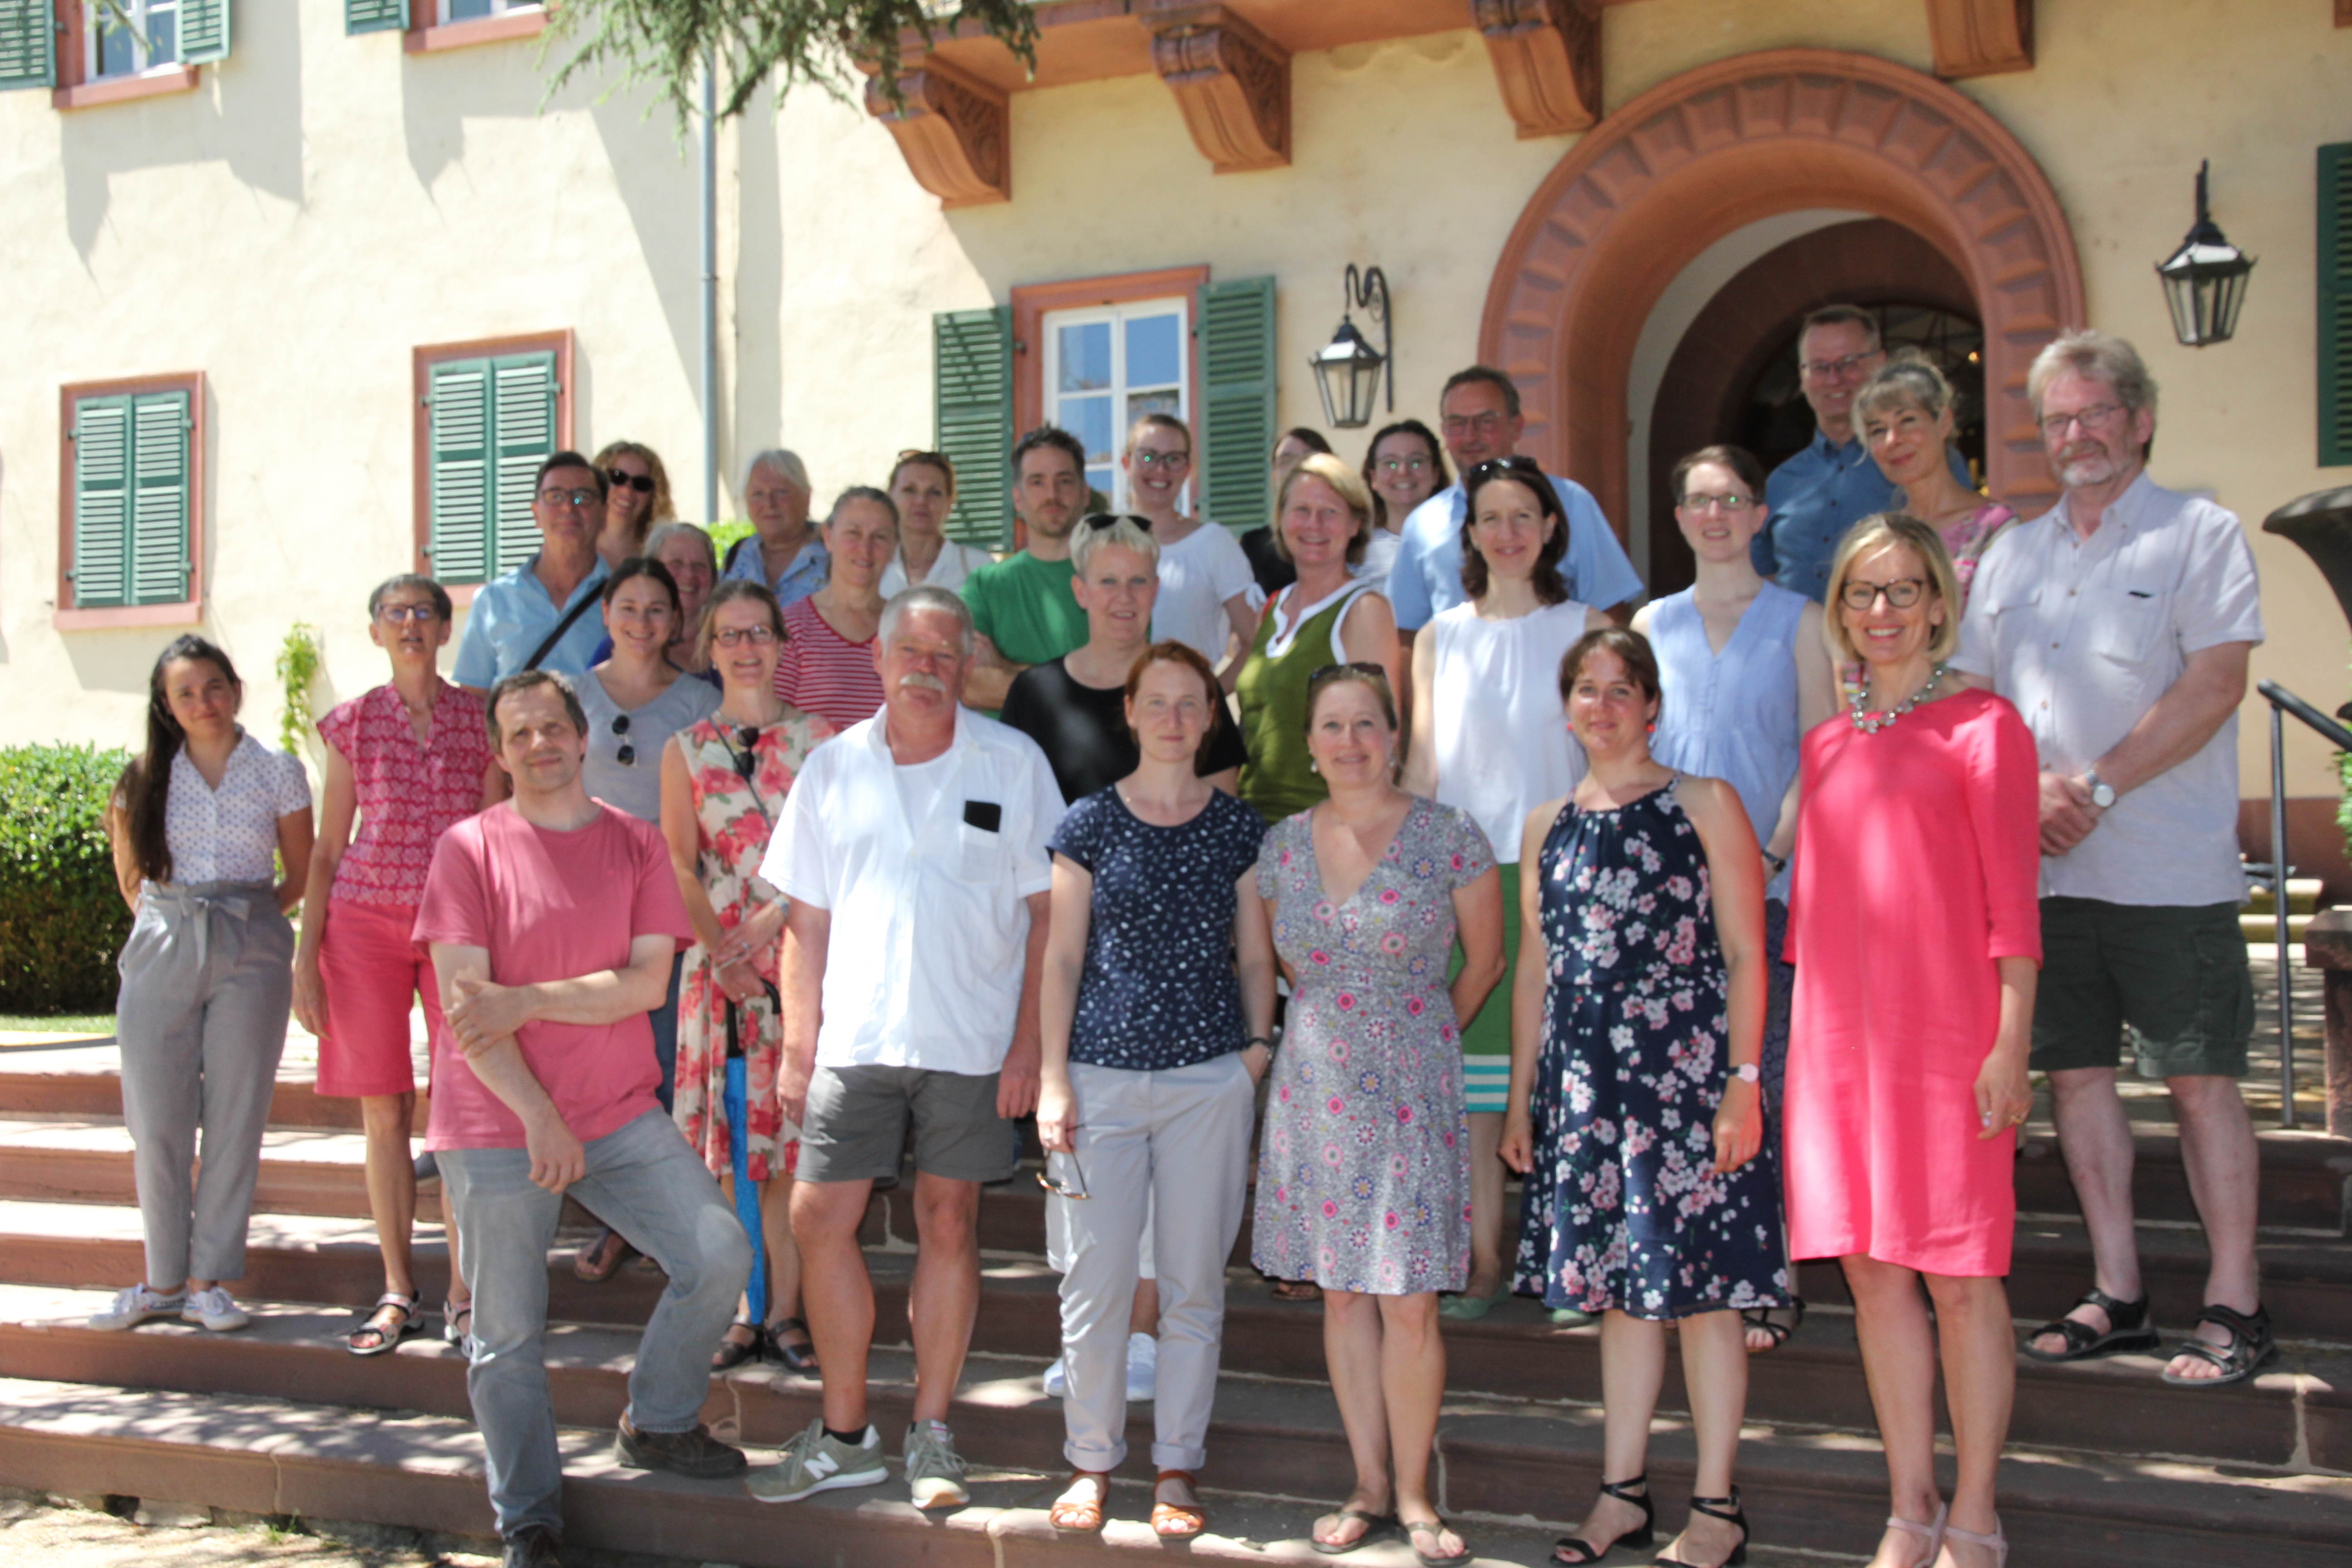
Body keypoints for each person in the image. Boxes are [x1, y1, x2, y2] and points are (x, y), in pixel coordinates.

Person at [1953, 330, 2270, 1391]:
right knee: (2075, 1078)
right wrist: (2020, 795)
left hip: (2166, 870)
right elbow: (1975, 703)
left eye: (2094, 412)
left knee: (2198, 1082)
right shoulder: (2010, 553)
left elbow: (2213, 684)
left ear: (2137, 419)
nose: (2075, 434)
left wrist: (2090, 784)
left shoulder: (2198, 534)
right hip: (2039, 874)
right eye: (2056, 419)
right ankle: (2116, 1286)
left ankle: (2233, 1300)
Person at [418, 669, 752, 1568]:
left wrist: (524, 998)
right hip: (498, 1121)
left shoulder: (637, 846)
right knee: (507, 1335)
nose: (540, 745)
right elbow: (466, 1013)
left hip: (613, 1110)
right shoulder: (468, 851)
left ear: (583, 735)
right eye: (519, 733)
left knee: (718, 1251)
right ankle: (529, 1518)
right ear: (500, 752)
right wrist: (538, 1115)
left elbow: (645, 984)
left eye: (554, 728)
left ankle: (660, 1418)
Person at [748, 585, 1064, 1509]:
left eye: (944, 654)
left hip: (971, 1041)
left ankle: (932, 1432)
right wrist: (799, 1047)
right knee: (817, 1218)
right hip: (855, 1036)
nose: (925, 670)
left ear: (968, 665)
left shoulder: (1013, 763)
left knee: (950, 1225)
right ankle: (846, 1433)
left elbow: (1049, 918)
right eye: (909, 654)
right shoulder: (833, 768)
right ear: (878, 662)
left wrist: (1028, 1050)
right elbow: (805, 919)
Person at [1500, 627, 1782, 1568]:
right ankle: (1621, 1494)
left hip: (1690, 1083)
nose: (1604, 705)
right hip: (1588, 1091)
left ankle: (1717, 1504)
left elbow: (1747, 951)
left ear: (1653, 706)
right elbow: (1536, 969)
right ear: (1568, 704)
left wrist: (1742, 1085)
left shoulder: (1704, 803)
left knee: (1704, 1297)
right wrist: (1521, 1104)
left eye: (1624, 689)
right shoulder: (1548, 824)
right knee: (1622, 1296)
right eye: (1587, 688)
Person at [1788, 516, 2039, 1568]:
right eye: (1860, 593)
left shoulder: (1985, 727)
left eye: (1901, 591)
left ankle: (1974, 1510)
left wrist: (2010, 1041)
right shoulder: (1825, 742)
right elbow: (1809, 920)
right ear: (1839, 611)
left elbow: (2013, 910)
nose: (1880, 612)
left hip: (1950, 1038)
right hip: (1837, 1046)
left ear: (1939, 602)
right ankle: (1909, 1502)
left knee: (1959, 1275)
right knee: (1873, 1273)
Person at [1252, 665, 1504, 1567]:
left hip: (1410, 1088)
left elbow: (1485, 962)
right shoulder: (1280, 846)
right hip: (1315, 1090)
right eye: (1332, 725)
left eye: (1366, 723)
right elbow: (1283, 970)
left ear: (1392, 736)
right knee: (1345, 1293)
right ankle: (1366, 1482)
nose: (1350, 741)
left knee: (1408, 1300)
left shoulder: (1448, 836)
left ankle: (1415, 1494)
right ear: (1311, 744)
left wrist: (1421, 1032)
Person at [1033, 641, 1276, 1539]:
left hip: (1205, 1082)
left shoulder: (1237, 828)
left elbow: (1257, 953)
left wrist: (1252, 1055)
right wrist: (1054, 1077)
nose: (1175, 718)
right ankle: (1090, 1463)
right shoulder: (1088, 823)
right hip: (1097, 1078)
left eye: (1191, 702)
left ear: (1209, 716)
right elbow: (1061, 958)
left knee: (1190, 1286)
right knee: (1095, 1285)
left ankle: (1177, 1466)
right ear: (1129, 713)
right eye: (1158, 702)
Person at [1632, 445, 1836, 1354]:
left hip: (1771, 889)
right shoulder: (1650, 623)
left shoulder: (1801, 621)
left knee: (1764, 1079)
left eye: (1734, 500)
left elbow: (1823, 751)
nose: (1716, 515)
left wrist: (1762, 853)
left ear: (1761, 516)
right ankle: (1683, 1256)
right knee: (1678, 1089)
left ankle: (1770, 1269)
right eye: (1699, 500)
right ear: (1678, 517)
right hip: (1668, 901)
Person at [1400, 455, 1603, 1322]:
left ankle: (1569, 1262)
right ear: (1470, 533)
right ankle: (1482, 1258)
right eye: (1491, 517)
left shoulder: (1587, 628)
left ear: (1551, 527)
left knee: (1570, 1076)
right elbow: (1420, 764)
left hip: (1566, 871)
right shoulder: (1438, 635)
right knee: (1479, 1086)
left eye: (1525, 515)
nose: (1508, 531)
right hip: (1466, 876)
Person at [294, 576, 500, 1357]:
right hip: (362, 929)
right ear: (375, 630)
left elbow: (488, 838)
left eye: (424, 613)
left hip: (452, 930)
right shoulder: (351, 723)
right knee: (385, 1112)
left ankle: (465, 1291)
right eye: (395, 613)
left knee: (461, 1113)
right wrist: (304, 958)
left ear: (446, 629)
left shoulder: (479, 718)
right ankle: (396, 1287)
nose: (410, 624)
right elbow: (323, 848)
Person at [93, 638, 314, 1337]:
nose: (202, 702)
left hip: (251, 938)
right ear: (166, 705)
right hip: (165, 937)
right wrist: (172, 927)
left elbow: (303, 872)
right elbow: (132, 879)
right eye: (185, 693)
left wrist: (246, 925)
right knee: (155, 1121)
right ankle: (160, 1279)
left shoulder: (278, 772)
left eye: (213, 686)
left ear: (236, 689)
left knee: (235, 1115)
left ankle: (205, 1281)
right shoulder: (142, 779)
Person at [661, 581, 839, 1376]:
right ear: (709, 647)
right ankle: (744, 1307)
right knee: (734, 1151)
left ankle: (790, 1313)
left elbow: (836, 857)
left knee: (794, 1149)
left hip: (802, 961)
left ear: (780, 643)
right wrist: (724, 954)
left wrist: (769, 925)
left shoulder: (821, 740)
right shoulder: (684, 748)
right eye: (728, 635)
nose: (744, 648)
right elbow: (678, 861)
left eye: (758, 633)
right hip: (722, 974)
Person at [570, 558, 722, 1281]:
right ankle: (615, 1217)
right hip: (579, 903)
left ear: (676, 620)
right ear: (606, 615)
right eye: (627, 607)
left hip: (664, 904)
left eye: (657, 608)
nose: (641, 621)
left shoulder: (700, 700)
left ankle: (658, 1221)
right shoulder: (569, 696)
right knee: (589, 1064)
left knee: (657, 1065)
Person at [1387, 367, 1643, 646]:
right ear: (1445, 434)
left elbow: (1611, 609)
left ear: (1517, 426)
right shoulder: (1424, 523)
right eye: (1458, 424)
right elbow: (1405, 632)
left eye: (1486, 421)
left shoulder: (1571, 503)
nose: (1471, 436)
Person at [1001, 514, 1246, 803]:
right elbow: (1011, 809)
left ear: (1155, 590)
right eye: (1108, 582)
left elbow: (1224, 814)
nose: (1125, 597)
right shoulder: (1033, 694)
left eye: (1138, 582)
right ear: (1081, 592)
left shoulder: (1193, 687)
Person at [1749, 306, 1969, 604]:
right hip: (1798, 650)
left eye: (1848, 362)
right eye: (1819, 367)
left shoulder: (1916, 461)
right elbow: (1760, 580)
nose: (1834, 378)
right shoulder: (1781, 482)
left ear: (1880, 364)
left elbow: (1960, 560)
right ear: (1802, 377)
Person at [1235, 455, 1401, 826]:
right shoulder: (1274, 607)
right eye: (1302, 510)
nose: (1314, 525)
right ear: (1281, 518)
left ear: (1355, 524)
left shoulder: (1363, 611)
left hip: (1322, 834)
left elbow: (1382, 743)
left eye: (1330, 512)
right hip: (1252, 830)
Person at [1856, 354, 2014, 604]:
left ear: (1944, 423)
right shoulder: (1881, 538)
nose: (1892, 440)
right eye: (1878, 430)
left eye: (1907, 420)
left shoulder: (1996, 529)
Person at [452, 453, 613, 691]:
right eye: (555, 497)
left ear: (604, 515)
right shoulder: (493, 602)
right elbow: (475, 700)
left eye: (583, 498)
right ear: (536, 513)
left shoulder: (624, 599)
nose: (569, 507)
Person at [961, 426, 1093, 711]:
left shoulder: (1114, 582)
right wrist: (1079, 689)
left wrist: (1002, 666)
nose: (1052, 494)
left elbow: (1117, 687)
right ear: (1018, 498)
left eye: (1065, 481)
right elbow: (971, 687)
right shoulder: (984, 585)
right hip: (1006, 755)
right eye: (1037, 482)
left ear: (1085, 494)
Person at [1117, 414, 1255, 680]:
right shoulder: (1102, 544)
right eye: (1148, 457)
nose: (1160, 470)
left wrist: (1210, 697)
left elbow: (1254, 642)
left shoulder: (1214, 544)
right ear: (1126, 463)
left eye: (1173, 459)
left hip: (1188, 715)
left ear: (1188, 469)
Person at [772, 488, 896, 730]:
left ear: (895, 547)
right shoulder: (790, 628)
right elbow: (773, 721)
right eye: (853, 533)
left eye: (879, 537)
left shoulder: (906, 628)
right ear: (828, 537)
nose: (865, 547)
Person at [586, 521, 722, 681]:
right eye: (676, 564)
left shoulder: (729, 642)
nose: (689, 575)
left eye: (699, 566)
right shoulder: (624, 640)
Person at [722, 450, 828, 610]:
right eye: (758, 494)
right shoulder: (737, 555)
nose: (770, 504)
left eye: (780, 492)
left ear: (807, 497)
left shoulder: (832, 555)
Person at [881, 450, 992, 597]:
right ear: (890, 498)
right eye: (910, 490)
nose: (921, 501)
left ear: (949, 504)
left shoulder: (977, 568)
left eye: (934, 493)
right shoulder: (874, 567)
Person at [1239, 427, 1330, 598]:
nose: (1297, 466)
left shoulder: (1344, 535)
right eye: (1286, 460)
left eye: (1308, 458)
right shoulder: (1253, 546)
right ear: (1274, 474)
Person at [1359, 418, 1449, 588]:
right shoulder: (1355, 552)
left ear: (1436, 474)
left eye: (1416, 461)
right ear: (1374, 478)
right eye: (1390, 463)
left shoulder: (1461, 540)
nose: (1403, 471)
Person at [593, 439, 675, 568]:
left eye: (641, 483)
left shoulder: (659, 558)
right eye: (617, 477)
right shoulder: (576, 547)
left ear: (653, 496)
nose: (627, 490)